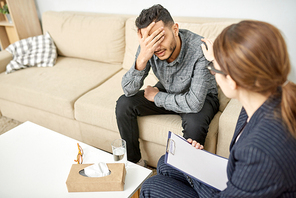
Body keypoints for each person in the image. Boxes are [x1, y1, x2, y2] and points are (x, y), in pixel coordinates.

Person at [140, 20, 296, 197]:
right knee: (165, 163)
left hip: (234, 188)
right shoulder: (267, 97)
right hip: (238, 179)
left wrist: (195, 170)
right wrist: (199, 161)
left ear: (233, 80)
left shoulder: (260, 151)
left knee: (151, 185)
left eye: (214, 67)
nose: (212, 71)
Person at [115, 4, 219, 165]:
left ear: (175, 29)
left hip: (201, 97)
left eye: (159, 37)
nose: (155, 46)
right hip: (168, 88)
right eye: (150, 40)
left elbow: (194, 103)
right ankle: (134, 162)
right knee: (124, 103)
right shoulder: (148, 48)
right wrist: (141, 59)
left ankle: (183, 177)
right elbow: (128, 89)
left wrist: (157, 97)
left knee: (195, 126)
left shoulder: (199, 49)